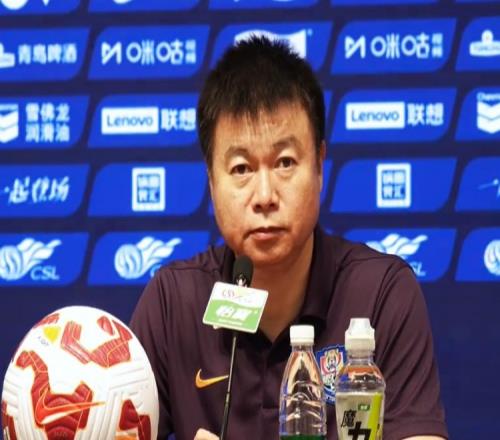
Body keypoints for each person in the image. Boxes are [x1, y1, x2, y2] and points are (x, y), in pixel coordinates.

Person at [129, 36, 448, 440]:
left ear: (319, 166)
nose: (264, 196)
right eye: (241, 168)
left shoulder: (380, 293)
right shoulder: (173, 303)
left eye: (284, 162)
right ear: (211, 182)